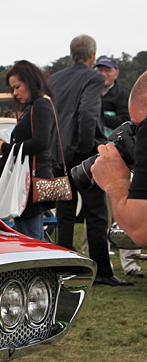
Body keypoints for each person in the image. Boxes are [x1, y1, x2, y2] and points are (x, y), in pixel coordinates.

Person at [51, 35, 129, 285]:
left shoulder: (55, 78)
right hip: (81, 152)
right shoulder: (94, 78)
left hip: (58, 153)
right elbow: (87, 113)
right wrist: (87, 148)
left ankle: (62, 268)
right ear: (92, 54)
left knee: (64, 213)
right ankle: (102, 272)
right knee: (96, 212)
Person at [0, 61, 63, 240]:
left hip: (31, 179)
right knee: (29, 233)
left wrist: (5, 148)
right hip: (29, 178)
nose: (15, 93)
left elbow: (40, 142)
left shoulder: (40, 105)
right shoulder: (37, 105)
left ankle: (38, 267)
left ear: (30, 82)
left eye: (17, 87)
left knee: (30, 237)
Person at [93, 55, 141, 277]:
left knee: (128, 205)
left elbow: (126, 121)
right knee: (97, 213)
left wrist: (101, 116)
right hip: (98, 153)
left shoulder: (122, 94)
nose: (103, 74)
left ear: (116, 73)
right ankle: (93, 254)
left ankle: (131, 262)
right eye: (99, 69)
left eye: (107, 70)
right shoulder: (92, 91)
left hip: (121, 157)